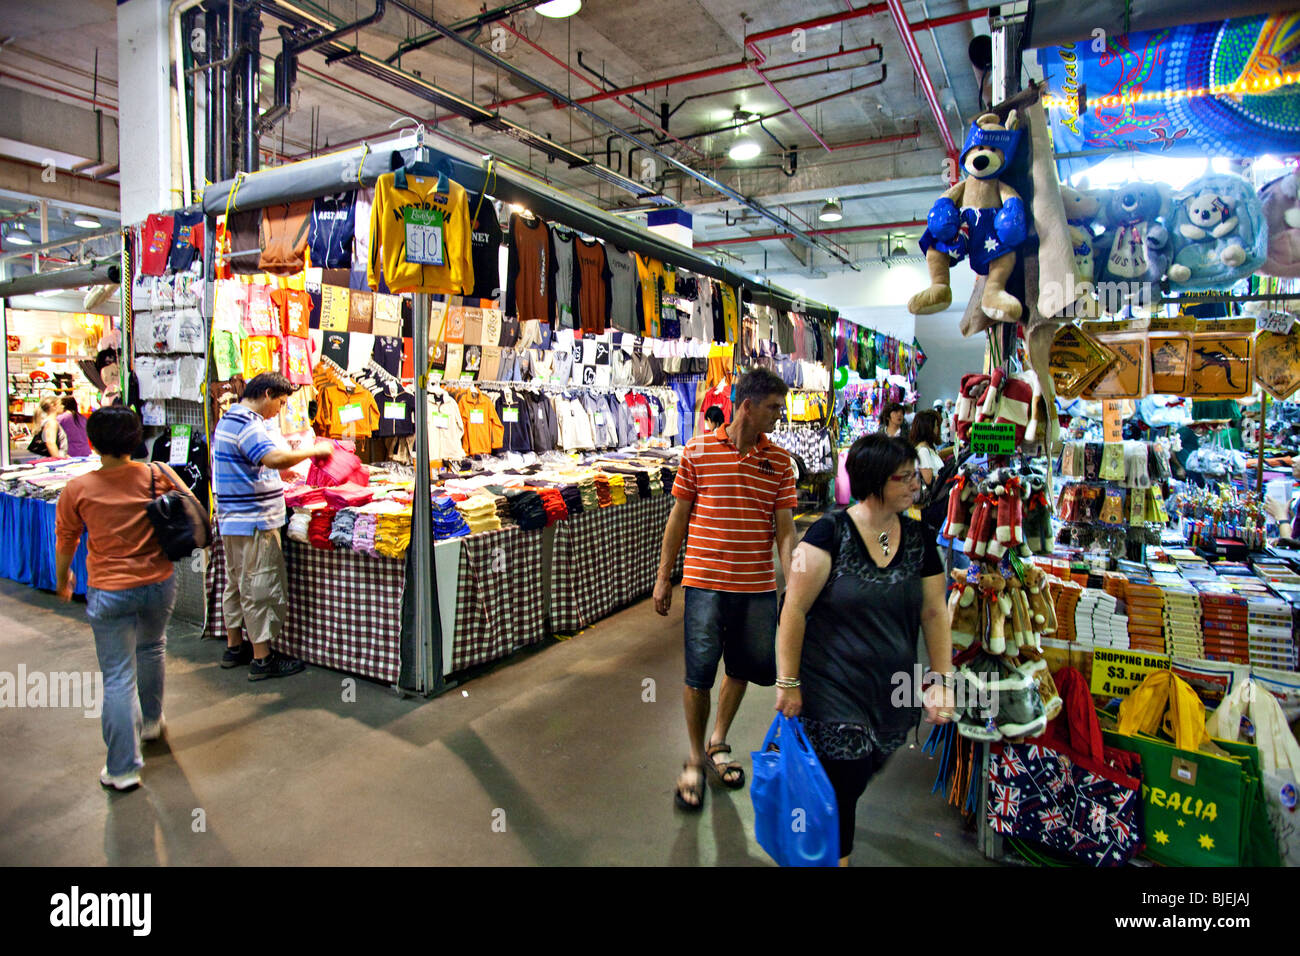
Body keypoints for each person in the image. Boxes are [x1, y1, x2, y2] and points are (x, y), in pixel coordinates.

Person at [775, 433, 956, 864]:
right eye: (905, 478)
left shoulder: (918, 540)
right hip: (831, 684)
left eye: (915, 476)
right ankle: (836, 856)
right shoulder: (827, 535)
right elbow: (793, 610)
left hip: (891, 687)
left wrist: (942, 679)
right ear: (875, 482)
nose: (917, 486)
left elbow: (934, 612)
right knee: (845, 776)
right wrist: (788, 681)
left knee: (865, 767)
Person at [655, 368, 798, 811]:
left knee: (741, 669)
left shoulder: (780, 463)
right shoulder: (697, 452)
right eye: (774, 406)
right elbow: (678, 517)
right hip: (704, 584)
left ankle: (719, 741)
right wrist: (664, 577)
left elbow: (786, 531)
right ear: (747, 406)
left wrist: (793, 587)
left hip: (755, 588)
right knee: (698, 674)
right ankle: (695, 758)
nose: (781, 415)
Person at [54, 406, 198, 790]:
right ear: (136, 440)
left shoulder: (78, 488)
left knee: (118, 676)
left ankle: (122, 769)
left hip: (110, 589)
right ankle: (151, 723)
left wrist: (63, 578)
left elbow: (66, 539)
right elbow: (192, 506)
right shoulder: (156, 474)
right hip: (159, 583)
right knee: (151, 649)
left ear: (94, 442)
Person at [213, 372, 333, 680]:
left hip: (233, 519)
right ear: (267, 394)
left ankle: (235, 646)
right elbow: (273, 457)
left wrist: (276, 476)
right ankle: (263, 659)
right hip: (253, 520)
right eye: (280, 403)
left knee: (238, 583)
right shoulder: (247, 423)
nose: (279, 410)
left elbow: (247, 465)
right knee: (260, 586)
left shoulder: (229, 420)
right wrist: (314, 451)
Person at [909, 410, 945, 489]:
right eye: (936, 425)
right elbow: (929, 482)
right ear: (929, 428)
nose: (938, 429)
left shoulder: (928, 448)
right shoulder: (923, 451)